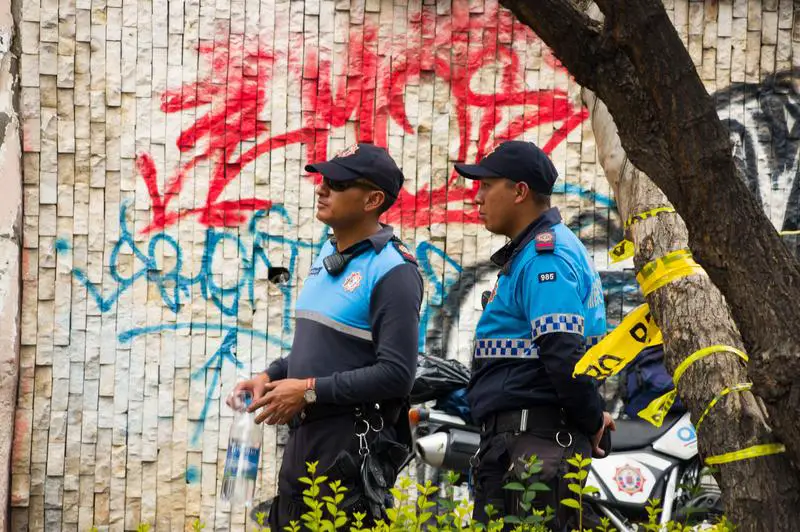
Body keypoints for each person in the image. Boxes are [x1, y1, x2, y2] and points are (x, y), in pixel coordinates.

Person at [229, 143, 423, 529]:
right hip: (303, 450)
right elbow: (325, 350)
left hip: (346, 457)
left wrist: (308, 391)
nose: (322, 189)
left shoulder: (394, 270)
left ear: (373, 200)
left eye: (338, 183)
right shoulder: (328, 255)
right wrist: (271, 375)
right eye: (323, 180)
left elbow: (397, 375)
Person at [453, 141, 615, 530]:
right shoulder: (530, 254)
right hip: (524, 446)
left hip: (534, 449)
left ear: (520, 191)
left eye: (487, 185)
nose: (478, 197)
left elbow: (563, 355)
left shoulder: (547, 258)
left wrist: (592, 418)